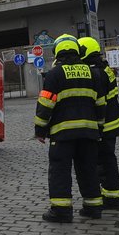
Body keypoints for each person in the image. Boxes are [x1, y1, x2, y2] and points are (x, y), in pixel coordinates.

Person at [34, 35, 106, 222]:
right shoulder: (93, 73)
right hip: (89, 133)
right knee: (88, 170)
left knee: (60, 171)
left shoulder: (54, 74)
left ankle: (61, 211)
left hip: (62, 134)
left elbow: (45, 105)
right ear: (77, 51)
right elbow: (100, 104)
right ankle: (93, 208)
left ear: (57, 52)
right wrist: (98, 127)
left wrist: (40, 131)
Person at [79, 37, 119, 211]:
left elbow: (96, 102)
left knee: (103, 162)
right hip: (113, 122)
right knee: (108, 160)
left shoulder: (95, 73)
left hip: (104, 124)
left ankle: (111, 199)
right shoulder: (105, 68)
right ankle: (112, 195)